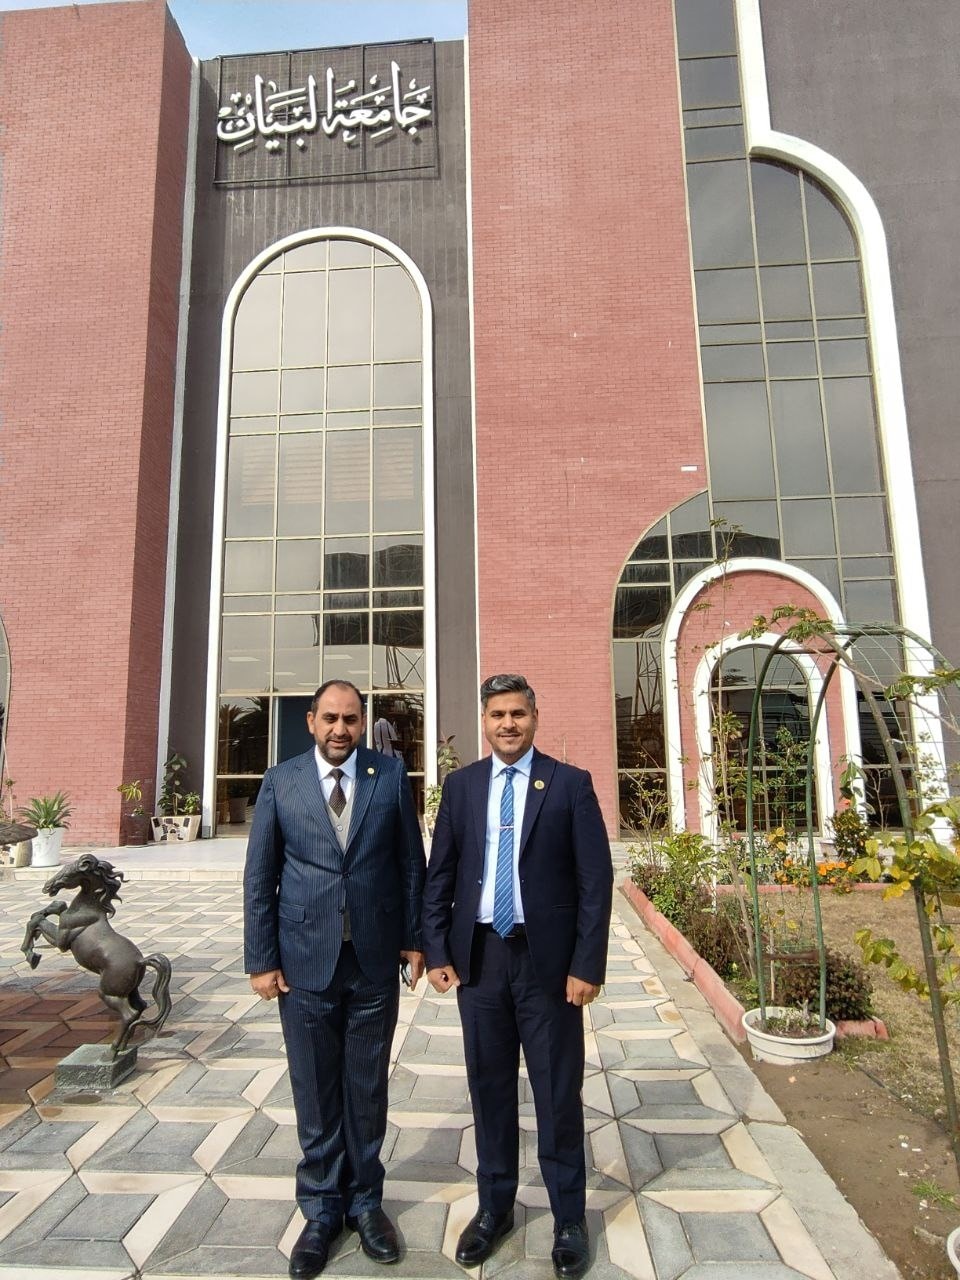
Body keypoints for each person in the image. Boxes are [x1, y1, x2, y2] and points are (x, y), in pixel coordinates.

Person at [422, 673, 613, 1280]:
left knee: (558, 1093)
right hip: (480, 962)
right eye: (497, 714)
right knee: (490, 1089)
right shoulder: (461, 787)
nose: (508, 724)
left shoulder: (570, 784)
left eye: (518, 714)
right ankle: (494, 1208)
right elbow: (440, 875)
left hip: (548, 967)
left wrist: (586, 965)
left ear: (535, 717)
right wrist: (437, 949)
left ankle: (568, 1219)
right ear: (484, 721)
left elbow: (595, 882)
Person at [244, 680, 426, 1280]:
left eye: (350, 719)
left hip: (373, 961)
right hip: (304, 964)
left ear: (362, 721)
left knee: (367, 1089)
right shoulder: (282, 781)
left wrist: (414, 938)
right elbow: (260, 876)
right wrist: (261, 959)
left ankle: (366, 1203)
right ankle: (322, 1211)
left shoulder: (388, 776)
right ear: (311, 721)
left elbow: (410, 863)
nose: (340, 729)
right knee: (316, 1091)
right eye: (330, 718)